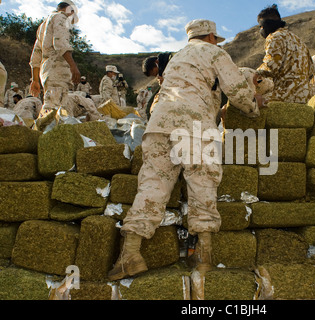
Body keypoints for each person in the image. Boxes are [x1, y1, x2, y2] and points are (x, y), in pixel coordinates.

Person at [108, 19, 261, 281]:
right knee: (203, 183)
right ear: (211, 36)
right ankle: (203, 256)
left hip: (159, 125)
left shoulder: (176, 58)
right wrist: (253, 110)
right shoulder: (214, 52)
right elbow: (237, 89)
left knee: (152, 186)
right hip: (194, 125)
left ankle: (130, 255)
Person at [30, 1, 81, 118]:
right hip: (57, 69)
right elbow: (60, 42)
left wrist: (35, 79)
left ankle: (45, 131)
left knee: (53, 107)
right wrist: (73, 66)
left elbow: (36, 54)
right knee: (53, 110)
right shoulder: (60, 17)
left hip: (47, 70)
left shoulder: (44, 25)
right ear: (69, 10)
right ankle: (43, 133)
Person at [256, 4, 313, 104]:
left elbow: (271, 66)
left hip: (285, 95)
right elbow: (311, 70)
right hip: (306, 97)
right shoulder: (299, 41)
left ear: (266, 25)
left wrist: (256, 74)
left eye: (261, 26)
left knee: (250, 104)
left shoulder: (274, 37)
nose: (260, 30)